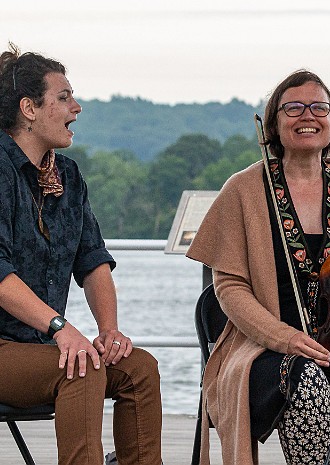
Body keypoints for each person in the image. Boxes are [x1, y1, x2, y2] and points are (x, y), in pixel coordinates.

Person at [187, 69, 330, 465]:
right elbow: (229, 289)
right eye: (293, 108)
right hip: (267, 352)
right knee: (306, 382)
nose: (307, 116)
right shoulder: (244, 189)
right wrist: (286, 339)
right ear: (275, 124)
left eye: (319, 107)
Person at [0, 43, 162, 464]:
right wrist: (61, 328)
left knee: (139, 368)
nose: (78, 106)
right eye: (64, 97)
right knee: (80, 365)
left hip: (40, 347)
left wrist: (109, 330)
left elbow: (92, 261)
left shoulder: (67, 175)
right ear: (29, 109)